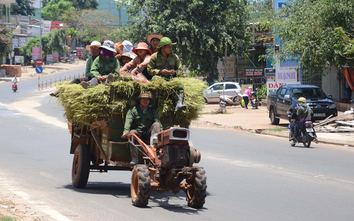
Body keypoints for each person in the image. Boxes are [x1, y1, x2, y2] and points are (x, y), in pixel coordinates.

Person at [122, 91, 162, 165]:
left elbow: (158, 122)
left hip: (148, 134)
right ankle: (134, 158)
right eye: (143, 99)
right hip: (138, 133)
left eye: (147, 99)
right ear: (140, 100)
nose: (145, 101)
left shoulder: (152, 111)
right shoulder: (133, 110)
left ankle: (155, 154)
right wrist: (126, 131)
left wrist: (162, 134)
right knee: (132, 132)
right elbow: (128, 120)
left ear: (149, 101)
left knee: (156, 125)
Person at [147, 37, 186, 112]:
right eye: (168, 46)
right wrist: (160, 71)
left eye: (171, 47)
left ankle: (179, 103)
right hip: (159, 77)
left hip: (171, 78)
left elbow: (180, 70)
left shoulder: (175, 57)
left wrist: (174, 72)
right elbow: (149, 70)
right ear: (162, 47)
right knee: (155, 79)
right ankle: (154, 103)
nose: (170, 48)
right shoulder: (154, 57)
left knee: (179, 83)